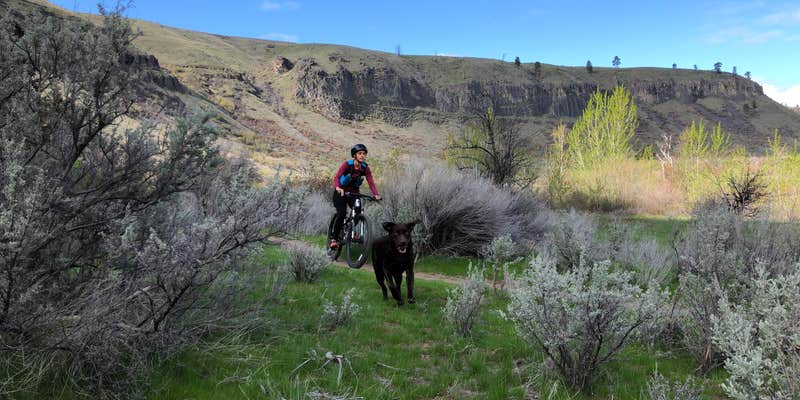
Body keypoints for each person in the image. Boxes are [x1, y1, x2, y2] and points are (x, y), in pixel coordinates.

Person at [329, 143, 381, 249]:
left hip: (353, 193)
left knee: (358, 210)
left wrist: (376, 194)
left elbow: (371, 182)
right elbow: (337, 177)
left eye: (364, 154)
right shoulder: (347, 165)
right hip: (341, 193)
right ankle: (334, 239)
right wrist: (338, 188)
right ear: (354, 155)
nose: (362, 156)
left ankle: (350, 229)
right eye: (360, 153)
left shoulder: (365, 168)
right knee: (342, 213)